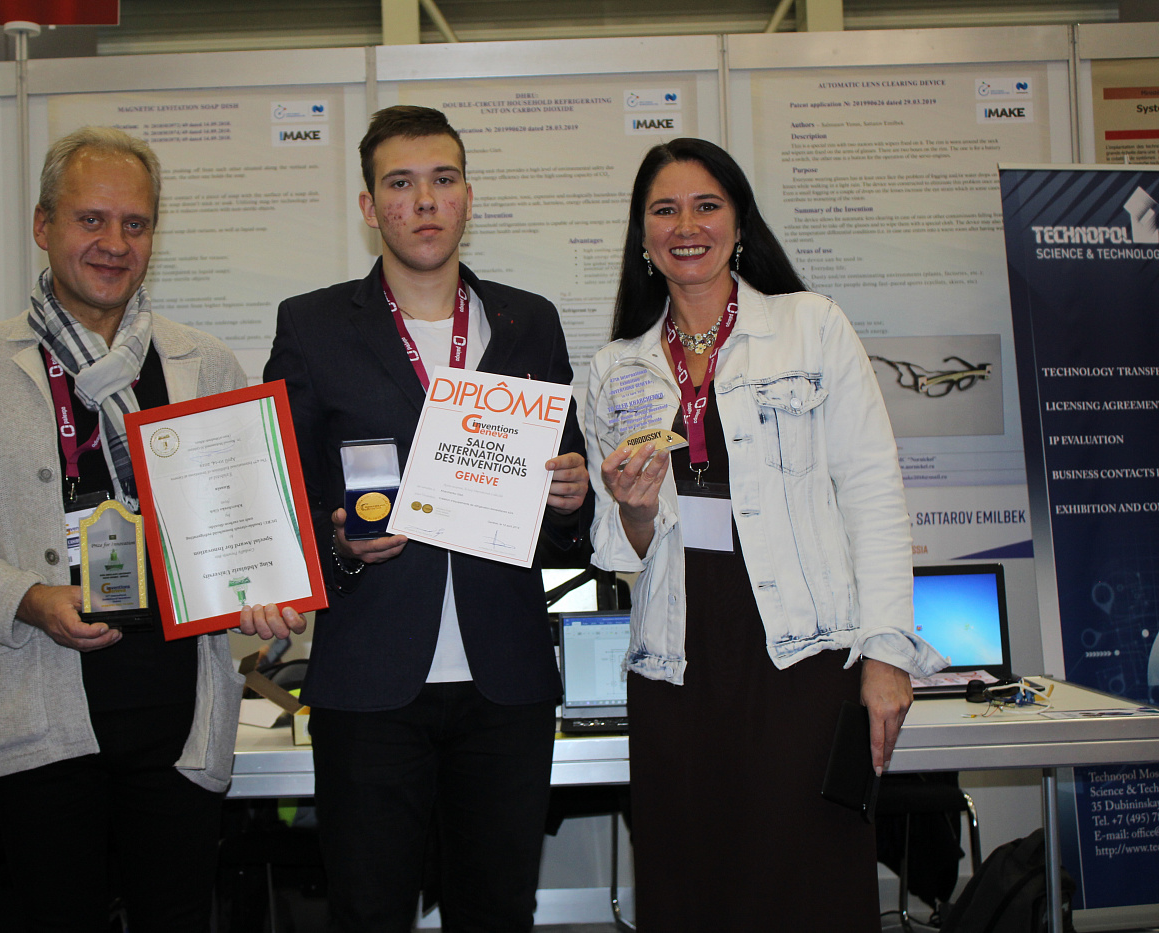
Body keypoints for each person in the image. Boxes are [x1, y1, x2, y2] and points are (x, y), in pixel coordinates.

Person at [0, 126, 291, 933]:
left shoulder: (204, 364)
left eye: (135, 224)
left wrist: (261, 587)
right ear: (43, 225)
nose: (114, 243)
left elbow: (243, 525)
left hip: (178, 710)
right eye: (91, 219)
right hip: (42, 706)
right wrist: (29, 597)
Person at [584, 138, 946, 932]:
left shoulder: (811, 327)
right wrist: (635, 508)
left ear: (740, 223)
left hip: (802, 663)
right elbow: (622, 547)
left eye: (707, 206)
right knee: (691, 890)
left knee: (808, 888)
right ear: (642, 236)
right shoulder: (613, 369)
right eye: (665, 209)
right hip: (677, 667)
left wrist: (887, 654)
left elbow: (873, 493)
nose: (687, 226)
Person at [254, 105, 591, 933]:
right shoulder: (313, 325)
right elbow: (282, 497)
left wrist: (571, 496)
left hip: (504, 679)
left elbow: (564, 511)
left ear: (468, 195)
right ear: (369, 206)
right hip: (369, 681)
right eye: (400, 183)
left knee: (498, 911)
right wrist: (339, 547)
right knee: (369, 913)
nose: (425, 200)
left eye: (443, 179)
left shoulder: (529, 321)